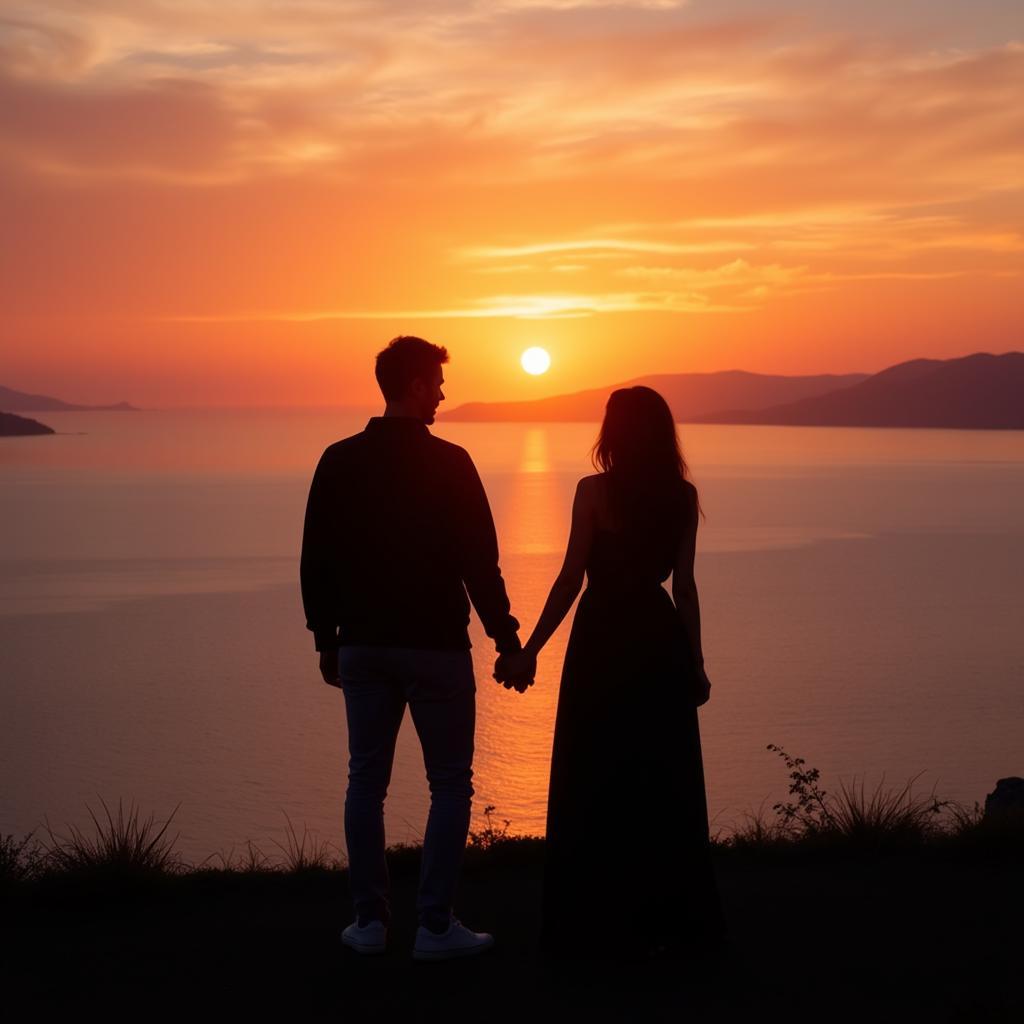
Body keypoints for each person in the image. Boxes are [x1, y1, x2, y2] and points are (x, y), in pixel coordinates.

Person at [300, 336, 534, 962]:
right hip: (435, 647)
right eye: (435, 382)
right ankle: (434, 927)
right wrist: (507, 641)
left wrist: (327, 640)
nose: (442, 393)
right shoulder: (452, 463)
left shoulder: (338, 459)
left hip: (364, 646)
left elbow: (316, 559)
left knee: (365, 782)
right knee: (451, 784)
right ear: (410, 385)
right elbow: (478, 564)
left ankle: (369, 923)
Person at [495, 386, 729, 962]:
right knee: (659, 781)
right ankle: (666, 919)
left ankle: (593, 921)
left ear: (613, 432)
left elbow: (571, 578)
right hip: (657, 640)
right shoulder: (681, 496)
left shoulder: (593, 492)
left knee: (594, 773)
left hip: (602, 640)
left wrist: (529, 652)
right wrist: (695, 664)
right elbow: (685, 588)